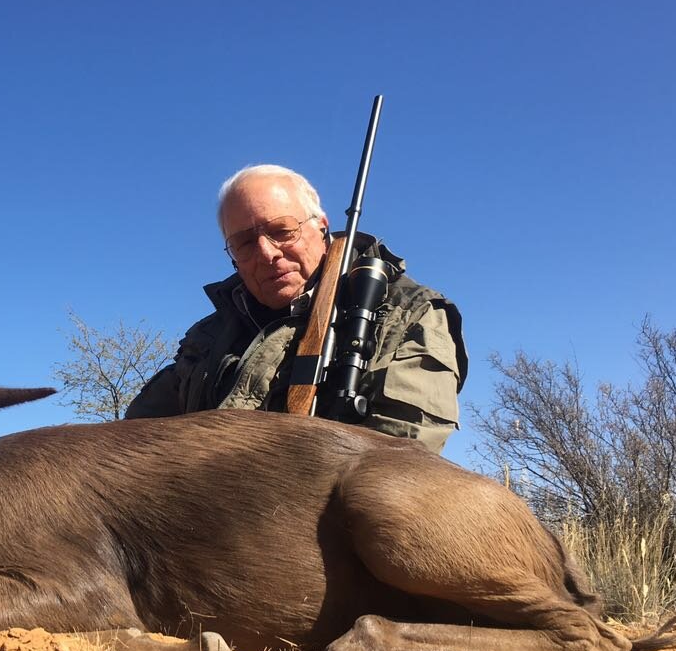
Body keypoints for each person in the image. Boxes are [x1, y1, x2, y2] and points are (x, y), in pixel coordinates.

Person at [125, 164, 466, 453]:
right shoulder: (207, 336)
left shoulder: (408, 313)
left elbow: (402, 461)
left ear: (321, 227)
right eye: (244, 242)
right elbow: (135, 439)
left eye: (282, 231)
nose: (267, 253)